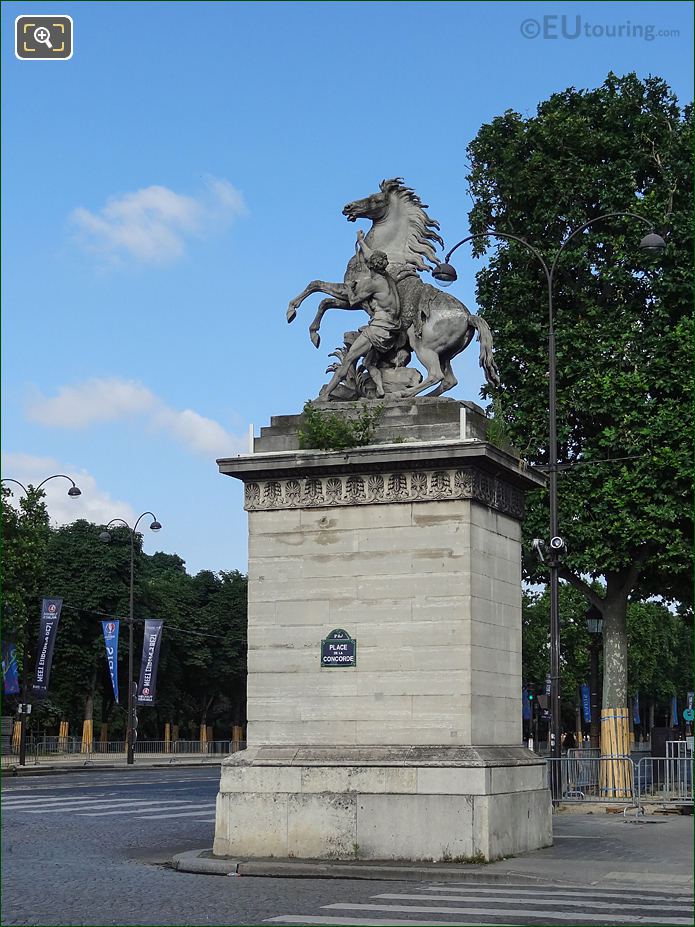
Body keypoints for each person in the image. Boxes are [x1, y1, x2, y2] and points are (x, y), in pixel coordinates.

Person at [319, 237, 402, 400]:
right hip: (390, 331)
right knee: (369, 363)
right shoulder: (387, 279)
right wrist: (361, 240)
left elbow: (353, 301)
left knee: (348, 360)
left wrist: (350, 288)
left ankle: (326, 394)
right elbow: (371, 255)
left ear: (370, 265)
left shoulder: (374, 283)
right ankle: (380, 389)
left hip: (377, 330)